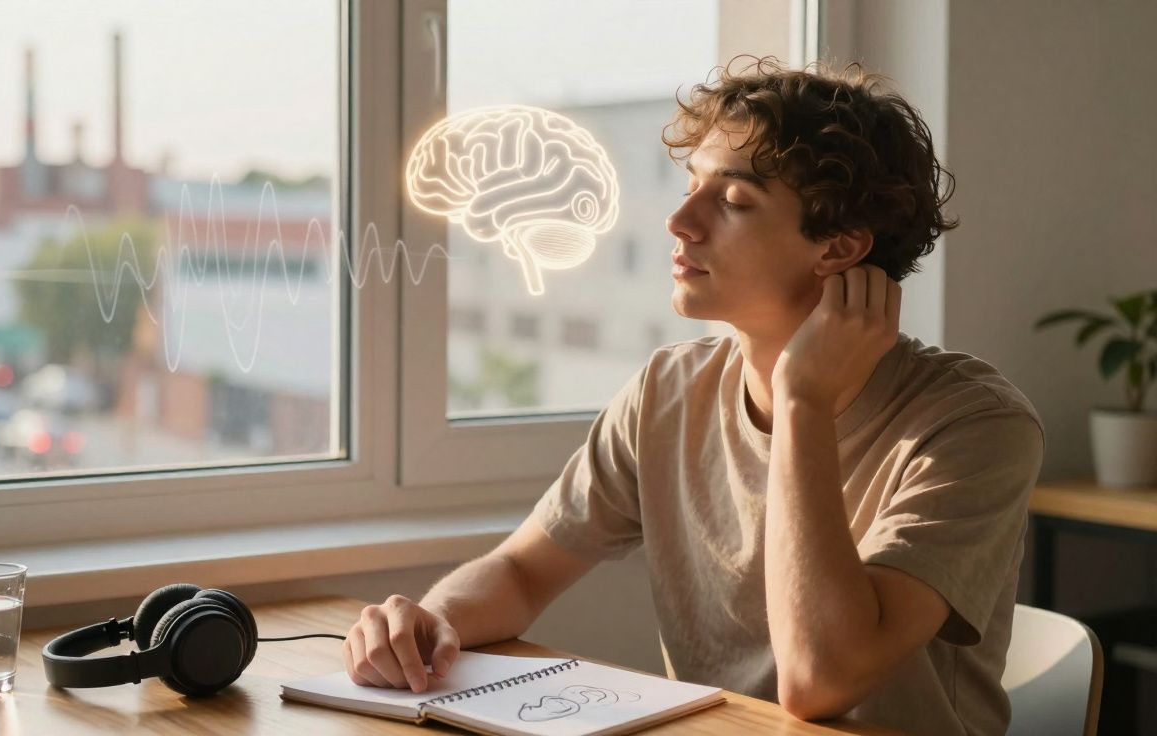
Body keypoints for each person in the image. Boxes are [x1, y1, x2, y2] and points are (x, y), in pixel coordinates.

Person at [343, 55, 1044, 736]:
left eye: (734, 201)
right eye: (692, 187)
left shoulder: (976, 425)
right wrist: (433, 622)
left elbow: (820, 680)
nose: (681, 224)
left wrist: (801, 400)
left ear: (837, 249)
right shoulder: (666, 391)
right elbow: (524, 571)